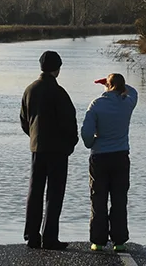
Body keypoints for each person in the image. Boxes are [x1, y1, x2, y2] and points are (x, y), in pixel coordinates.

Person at [20, 50, 79, 250]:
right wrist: (71, 144)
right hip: (58, 150)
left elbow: (24, 120)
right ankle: (50, 237)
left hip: (37, 147)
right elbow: (69, 122)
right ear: (58, 68)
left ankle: (32, 235)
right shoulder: (59, 92)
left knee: (35, 191)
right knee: (54, 194)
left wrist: (34, 138)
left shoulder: (30, 90)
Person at [81, 73, 138, 252]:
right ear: (121, 87)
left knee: (98, 198)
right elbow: (133, 91)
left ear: (107, 85)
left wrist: (92, 143)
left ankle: (98, 241)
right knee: (119, 199)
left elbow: (86, 133)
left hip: (100, 157)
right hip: (121, 156)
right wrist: (117, 85)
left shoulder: (96, 104)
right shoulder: (128, 103)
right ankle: (119, 240)